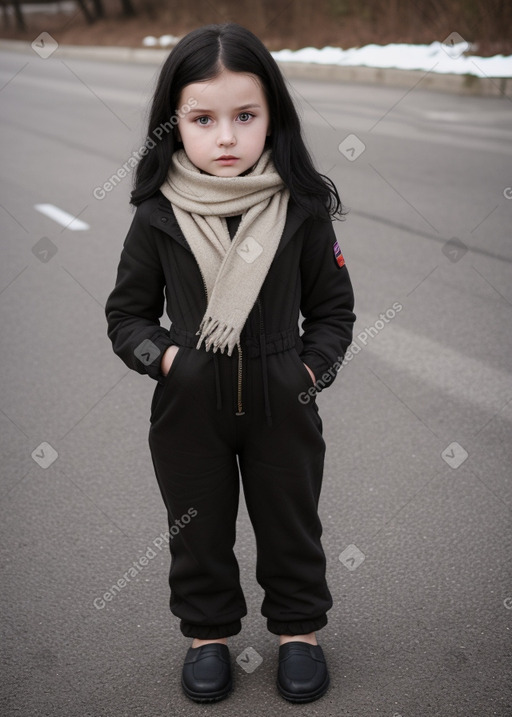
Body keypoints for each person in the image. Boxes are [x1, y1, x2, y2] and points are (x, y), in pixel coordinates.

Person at [105, 22, 355, 704]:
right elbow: (125, 316)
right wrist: (169, 361)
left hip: (283, 399)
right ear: (173, 124)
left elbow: (334, 313)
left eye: (245, 116)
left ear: (272, 118)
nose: (225, 137)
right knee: (198, 526)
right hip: (190, 403)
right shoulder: (157, 215)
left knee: (290, 521)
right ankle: (206, 635)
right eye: (203, 118)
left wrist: (307, 373)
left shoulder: (301, 208)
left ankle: (298, 632)